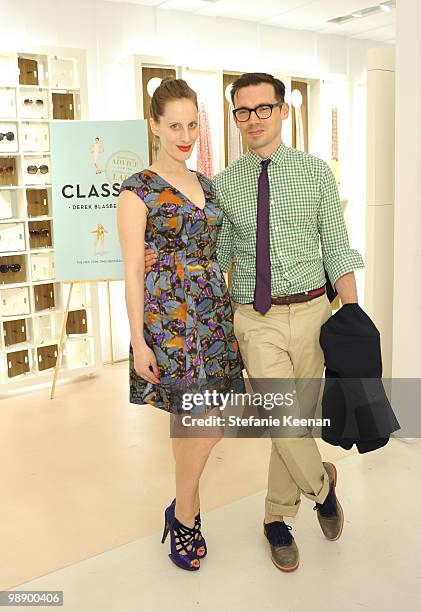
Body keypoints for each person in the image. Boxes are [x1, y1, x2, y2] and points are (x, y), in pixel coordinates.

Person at [145, 72, 365, 572]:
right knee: (282, 419)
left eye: (263, 108)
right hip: (253, 316)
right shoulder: (222, 184)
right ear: (233, 118)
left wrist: (351, 312)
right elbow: (216, 253)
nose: (253, 120)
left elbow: (337, 244)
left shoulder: (314, 173)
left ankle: (274, 517)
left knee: (295, 424)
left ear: (283, 111)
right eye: (242, 112)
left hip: (313, 312)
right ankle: (323, 488)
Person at [116, 78, 244, 573]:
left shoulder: (208, 185)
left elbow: (219, 250)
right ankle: (186, 515)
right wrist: (137, 340)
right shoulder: (137, 190)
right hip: (169, 319)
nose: (185, 134)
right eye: (175, 125)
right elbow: (130, 271)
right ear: (155, 125)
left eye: (193, 124)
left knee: (204, 421)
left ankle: (179, 508)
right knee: (201, 422)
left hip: (213, 314)